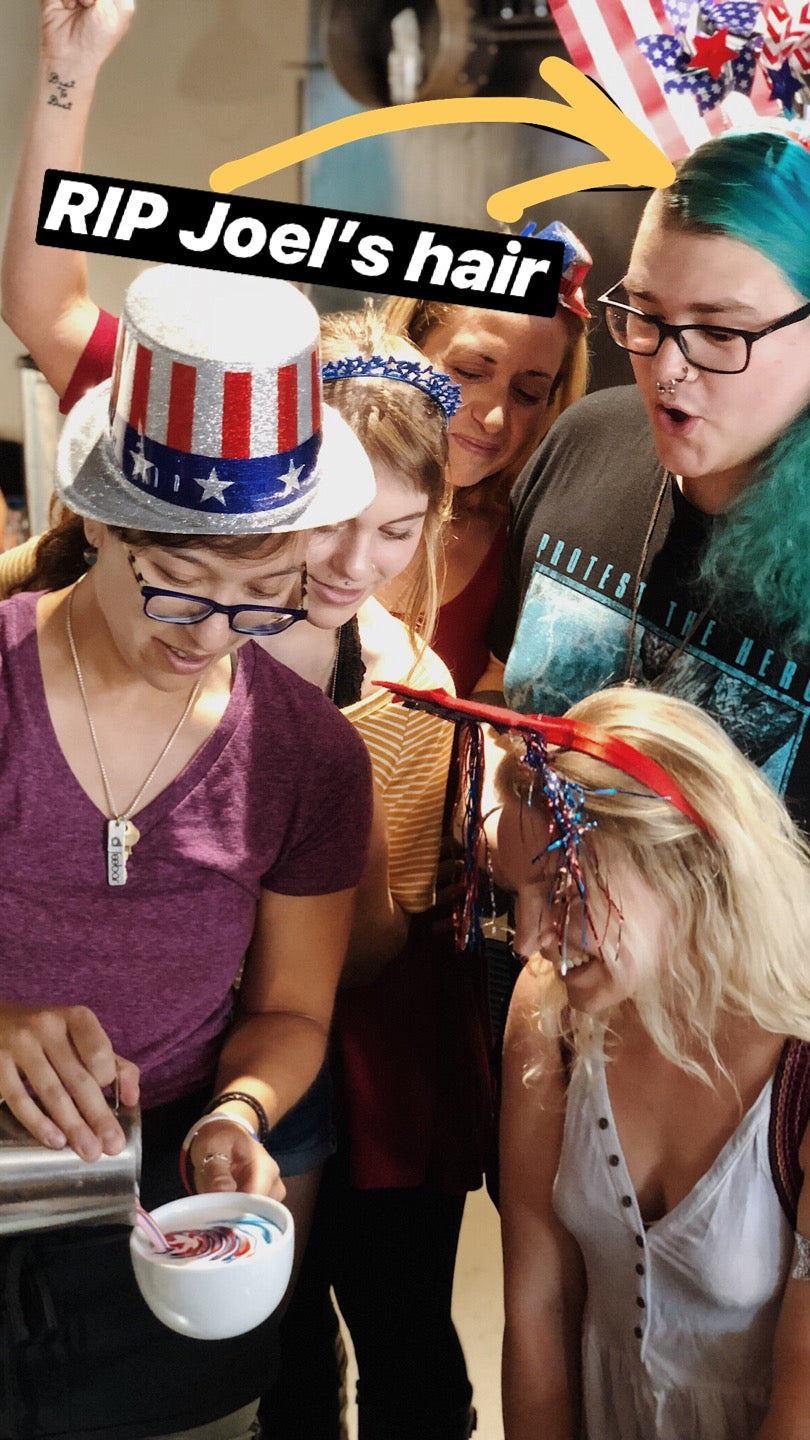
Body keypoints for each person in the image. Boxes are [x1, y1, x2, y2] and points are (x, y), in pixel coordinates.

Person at [0, 259, 375, 1440]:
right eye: (176, 590)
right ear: (101, 526)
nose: (211, 638)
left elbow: (291, 1013)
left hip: (159, 1221)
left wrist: (243, 1111)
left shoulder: (306, 754)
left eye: (263, 599)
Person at [481, 683, 810, 1439]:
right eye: (514, 899)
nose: (529, 941)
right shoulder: (549, 1016)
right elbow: (538, 1306)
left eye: (560, 890)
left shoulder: (799, 1062)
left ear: (684, 864)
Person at [489, 128, 810, 831]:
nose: (666, 369)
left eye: (722, 333)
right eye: (645, 314)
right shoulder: (586, 438)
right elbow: (499, 693)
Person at [381, 236, 590, 699]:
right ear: (404, 347)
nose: (494, 416)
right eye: (471, 372)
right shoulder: (299, 501)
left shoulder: (521, 552)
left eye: (528, 394)